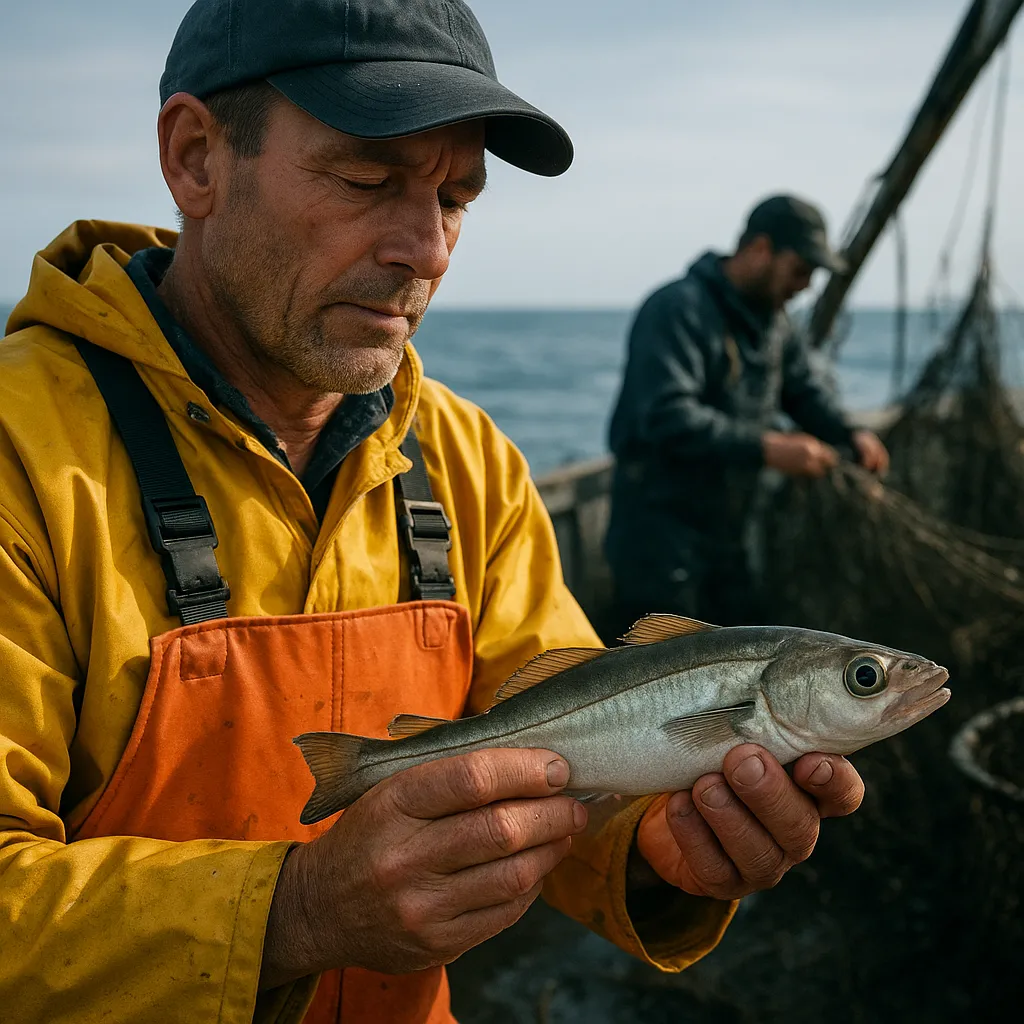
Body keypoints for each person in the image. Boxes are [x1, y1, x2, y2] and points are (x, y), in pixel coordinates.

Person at [0, 4, 866, 1022]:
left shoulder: (468, 462)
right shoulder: (25, 454)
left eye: (456, 197)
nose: (427, 249)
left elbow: (565, 736)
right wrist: (294, 911)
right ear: (196, 159)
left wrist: (654, 848)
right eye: (368, 181)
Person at [606, 195, 890, 630]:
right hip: (659, 537)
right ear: (760, 250)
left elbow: (803, 392)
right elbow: (666, 417)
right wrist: (769, 448)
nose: (806, 285)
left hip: (728, 535)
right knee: (660, 668)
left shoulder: (775, 323)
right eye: (801, 269)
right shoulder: (677, 309)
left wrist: (850, 433)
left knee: (739, 652)